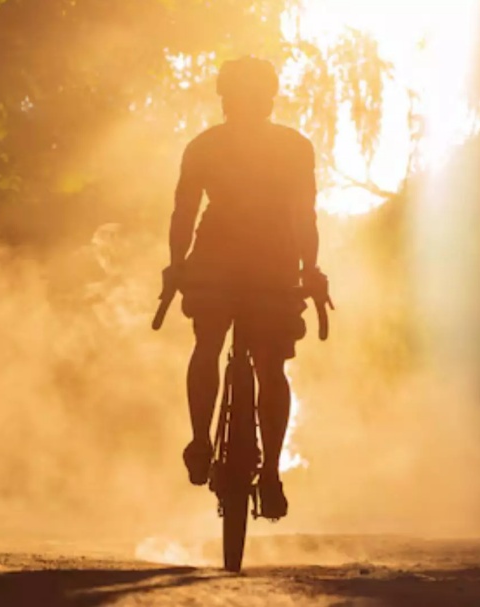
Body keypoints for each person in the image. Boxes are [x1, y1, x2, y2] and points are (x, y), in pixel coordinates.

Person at [162, 56, 327, 520]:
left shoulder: (204, 146)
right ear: (270, 97)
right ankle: (270, 473)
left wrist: (176, 266)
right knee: (271, 365)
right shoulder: (295, 147)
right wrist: (309, 268)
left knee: (208, 344)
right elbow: (304, 216)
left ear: (224, 98)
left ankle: (200, 439)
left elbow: (183, 214)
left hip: (215, 261)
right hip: (274, 264)